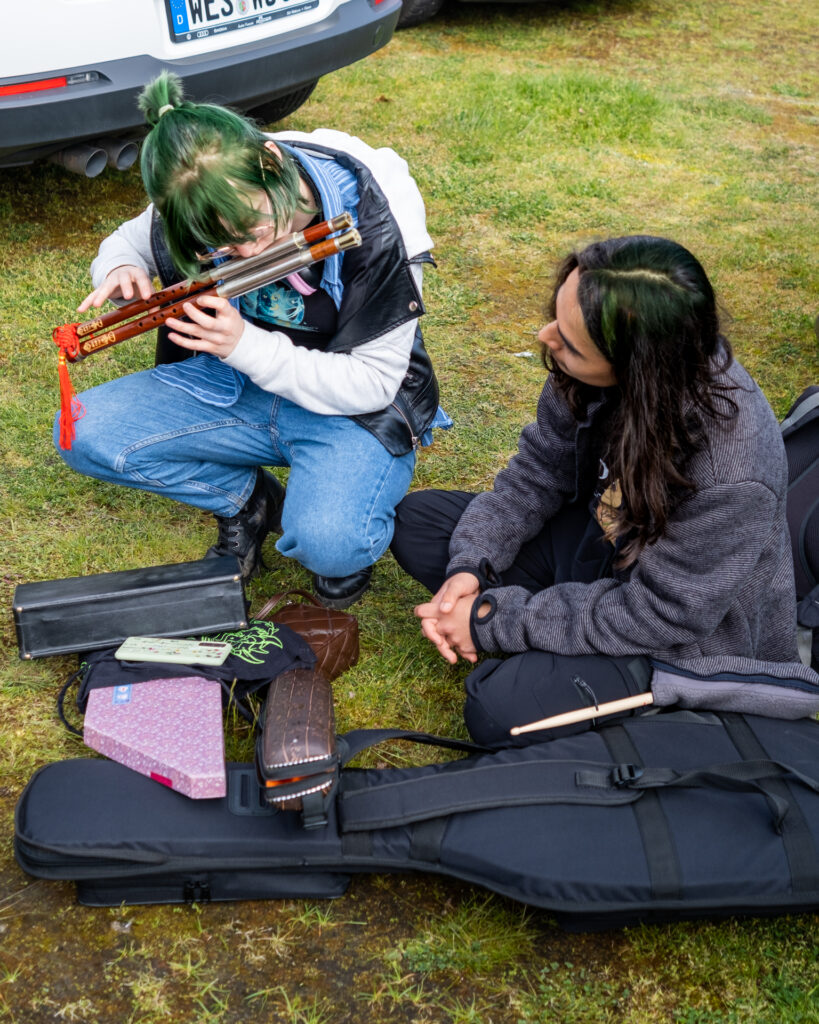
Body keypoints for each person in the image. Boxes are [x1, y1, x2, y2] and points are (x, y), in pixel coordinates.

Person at [391, 235, 811, 745]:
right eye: (556, 318)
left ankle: (564, 643)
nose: (545, 336)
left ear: (638, 367)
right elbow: (537, 472)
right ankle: (559, 630)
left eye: (569, 342)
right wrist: (470, 566)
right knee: (419, 522)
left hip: (679, 638)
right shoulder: (589, 370)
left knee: (497, 711)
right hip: (603, 543)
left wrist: (492, 621)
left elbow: (660, 613)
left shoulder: (731, 472)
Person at [55, 72, 447, 608]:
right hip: (231, 381)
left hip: (351, 406)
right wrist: (121, 266)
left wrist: (245, 345)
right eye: (220, 239)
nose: (243, 250)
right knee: (82, 431)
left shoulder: (377, 218)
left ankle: (338, 516)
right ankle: (248, 501)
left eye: (252, 227)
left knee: (330, 544)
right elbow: (128, 239)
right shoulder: (201, 189)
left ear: (270, 161)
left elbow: (375, 383)